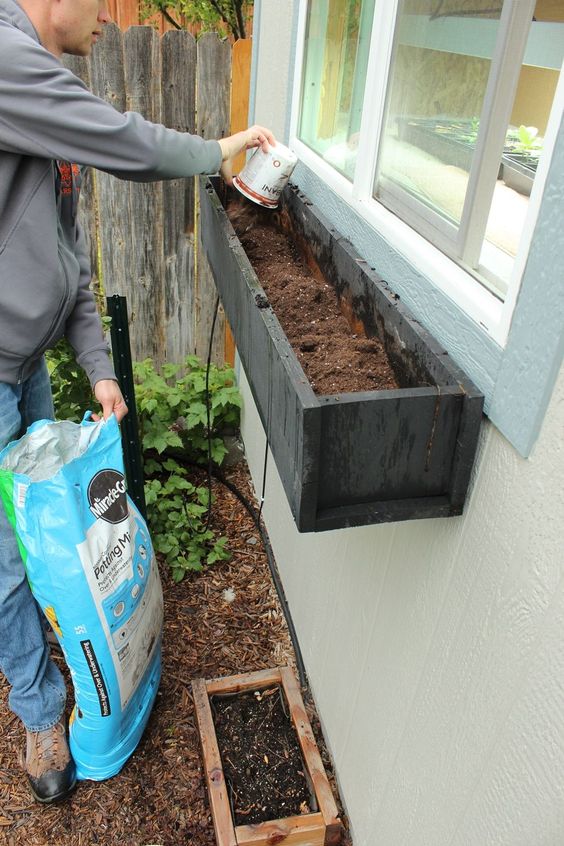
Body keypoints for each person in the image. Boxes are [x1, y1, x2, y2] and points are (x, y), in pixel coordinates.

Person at [0, 0, 275, 804]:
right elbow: (127, 141)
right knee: (9, 553)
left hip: (23, 362)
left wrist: (98, 367)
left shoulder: (40, 95)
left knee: (57, 530)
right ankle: (41, 709)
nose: (106, 18)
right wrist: (217, 149)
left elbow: (69, 253)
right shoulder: (7, 60)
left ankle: (82, 650)